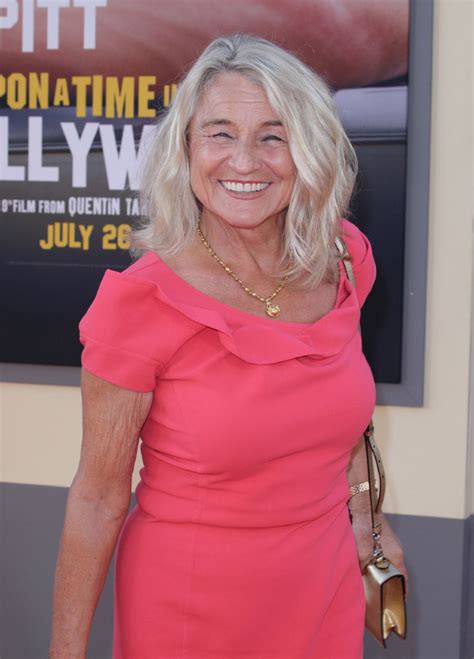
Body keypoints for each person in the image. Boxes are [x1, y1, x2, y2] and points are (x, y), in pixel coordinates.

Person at [49, 34, 408, 659]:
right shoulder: (139, 306)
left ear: (309, 152)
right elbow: (98, 496)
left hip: (323, 589)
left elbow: (338, 412)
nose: (245, 160)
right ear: (185, 150)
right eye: (219, 133)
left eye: (274, 136)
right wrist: (65, 652)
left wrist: (367, 518)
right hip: (192, 606)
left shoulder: (345, 261)